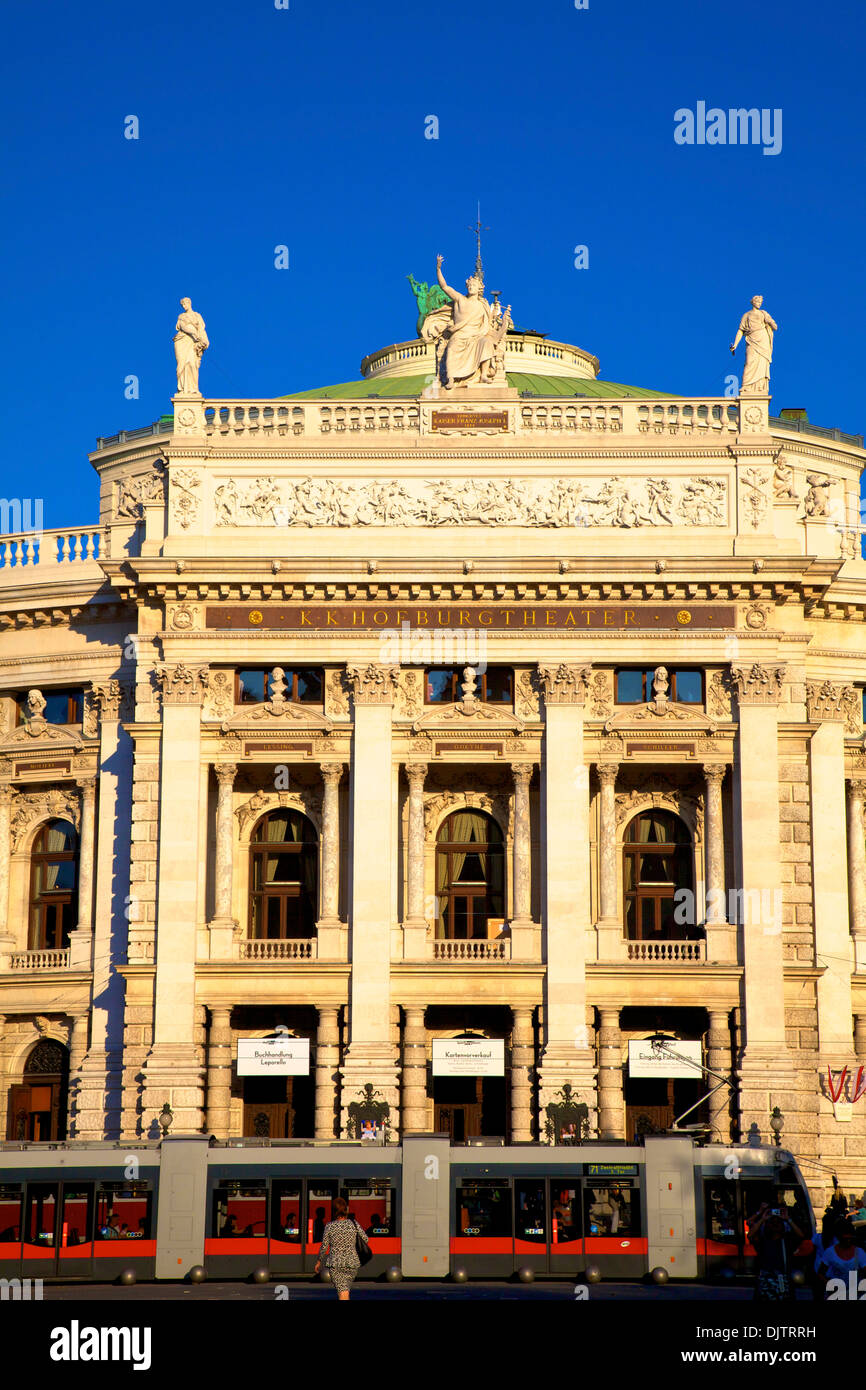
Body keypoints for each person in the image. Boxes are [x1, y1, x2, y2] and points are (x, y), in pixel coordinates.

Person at [314, 1196, 370, 1301]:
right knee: (345, 1291)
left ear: (334, 1211)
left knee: (343, 1293)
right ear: (346, 1209)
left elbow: (324, 1246)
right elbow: (366, 1239)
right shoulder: (354, 1224)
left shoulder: (329, 1226)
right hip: (352, 1263)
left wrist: (319, 1261)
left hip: (336, 1264)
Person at [749, 1203, 804, 1301]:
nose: (775, 1224)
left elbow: (800, 1235)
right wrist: (763, 1218)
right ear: (767, 1226)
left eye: (778, 1222)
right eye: (772, 1222)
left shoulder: (787, 1241)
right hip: (766, 1282)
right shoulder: (763, 1241)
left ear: (783, 1226)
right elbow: (750, 1235)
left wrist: (788, 1219)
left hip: (782, 1282)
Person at [818, 1220, 866, 1294]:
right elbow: (820, 1274)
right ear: (839, 1237)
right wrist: (830, 1285)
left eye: (850, 1239)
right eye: (845, 1239)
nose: (848, 1241)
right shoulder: (830, 1252)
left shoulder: (859, 1252)